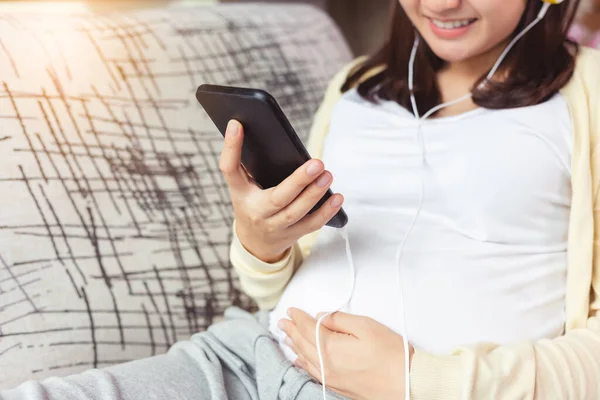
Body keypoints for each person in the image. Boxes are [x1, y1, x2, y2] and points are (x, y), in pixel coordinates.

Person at [2, 0, 600, 399]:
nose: (441, 3)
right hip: (247, 358)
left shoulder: (589, 93)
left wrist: (422, 378)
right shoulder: (356, 85)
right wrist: (263, 243)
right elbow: (281, 281)